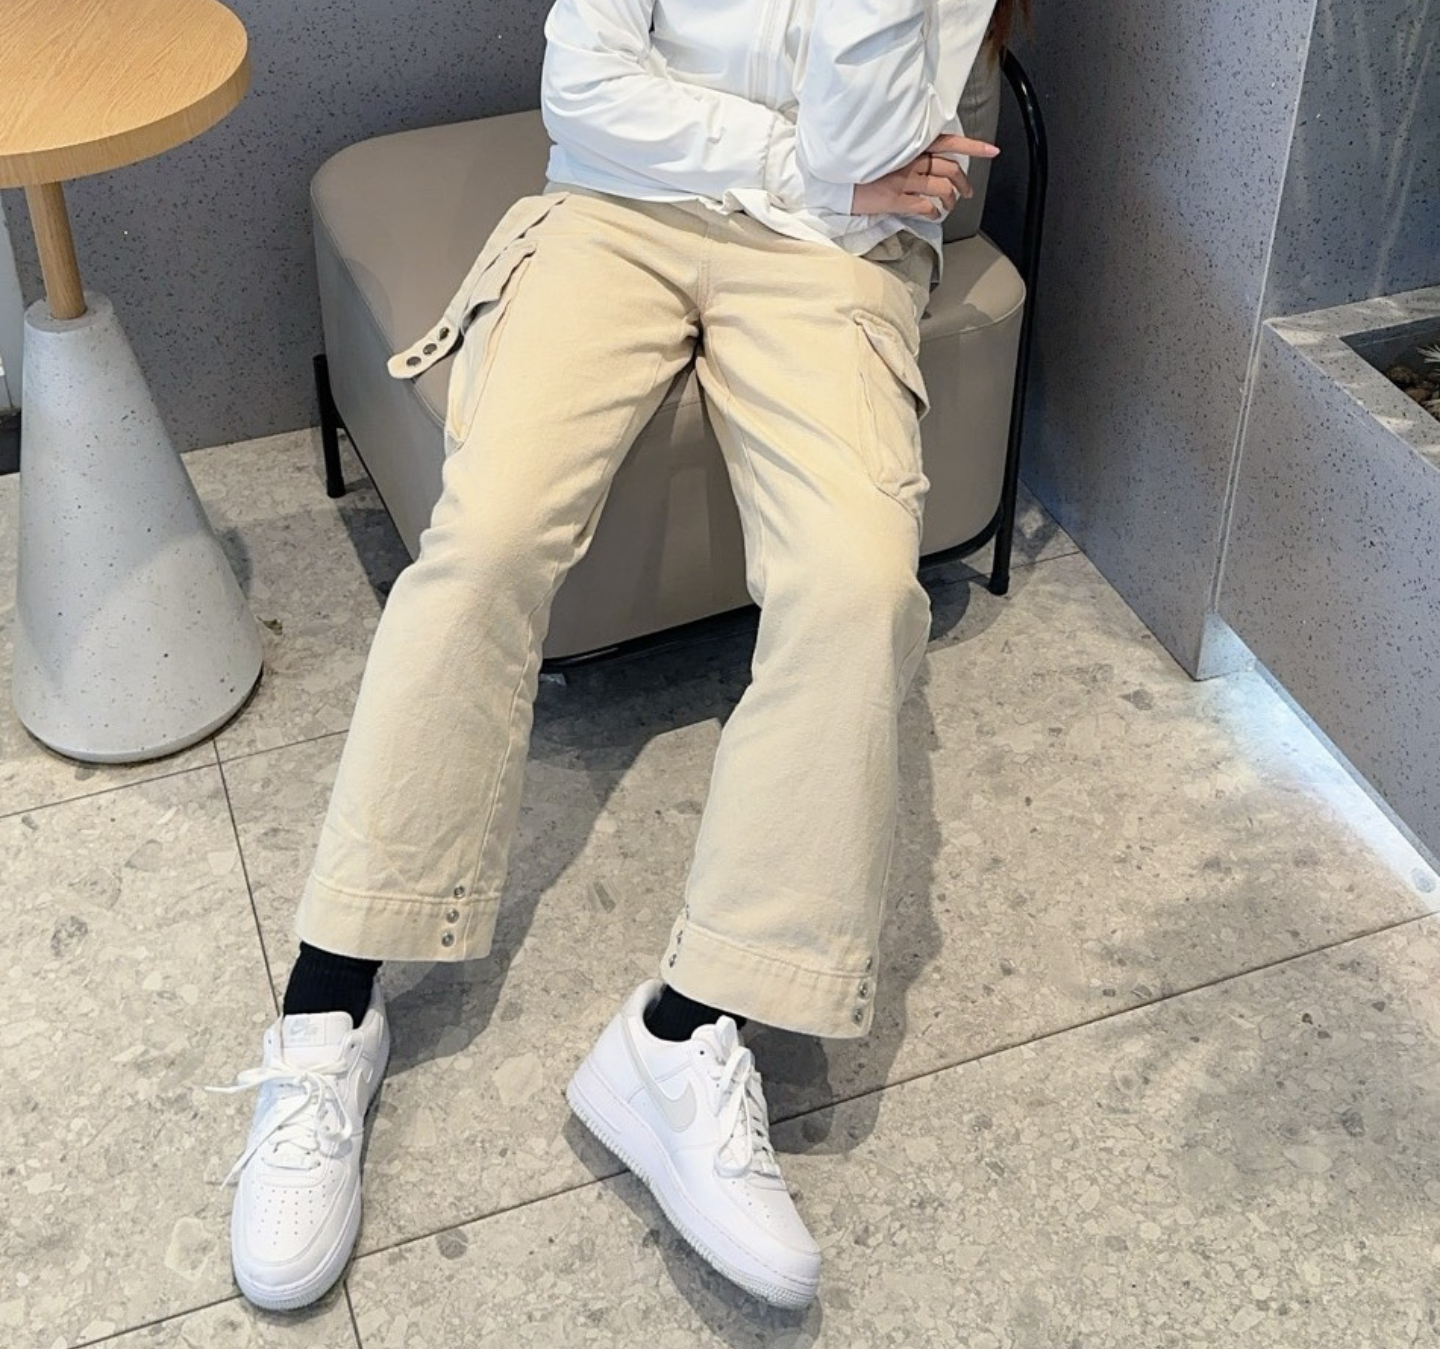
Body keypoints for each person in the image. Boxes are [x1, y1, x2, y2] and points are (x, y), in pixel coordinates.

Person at [214, 0, 1020, 1314]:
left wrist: (815, 165)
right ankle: (328, 1003)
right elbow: (587, 92)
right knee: (486, 542)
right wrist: (794, 159)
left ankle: (684, 1035)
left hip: (835, 254)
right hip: (618, 216)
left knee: (861, 592)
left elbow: (869, 146)